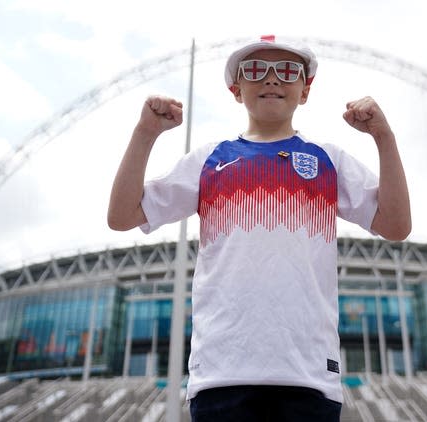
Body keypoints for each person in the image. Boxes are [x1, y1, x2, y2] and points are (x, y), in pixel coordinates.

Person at [107, 35, 411, 422]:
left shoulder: (328, 160)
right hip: (221, 372)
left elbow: (396, 225)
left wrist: (384, 138)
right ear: (236, 89)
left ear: (305, 89)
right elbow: (122, 215)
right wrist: (145, 133)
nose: (271, 79)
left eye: (286, 71)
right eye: (255, 70)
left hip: (309, 374)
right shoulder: (209, 160)